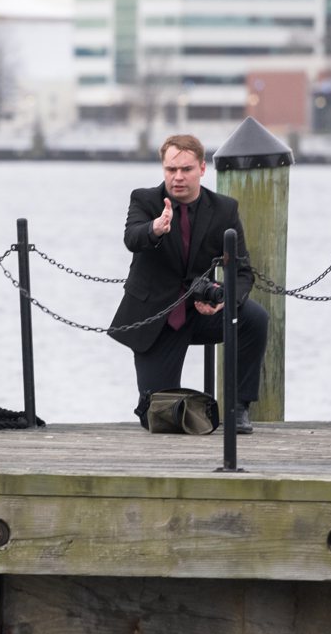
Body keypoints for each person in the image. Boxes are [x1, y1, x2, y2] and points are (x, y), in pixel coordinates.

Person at [108, 133, 268, 435]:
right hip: (157, 318)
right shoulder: (144, 199)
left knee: (254, 318)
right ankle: (181, 407)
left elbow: (243, 271)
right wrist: (155, 229)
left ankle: (238, 407)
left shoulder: (224, 209)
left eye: (186, 169)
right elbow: (133, 238)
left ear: (202, 169)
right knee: (157, 414)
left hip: (200, 310)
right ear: (163, 169)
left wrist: (224, 300)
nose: (178, 177)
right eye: (171, 170)